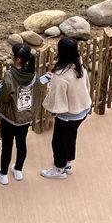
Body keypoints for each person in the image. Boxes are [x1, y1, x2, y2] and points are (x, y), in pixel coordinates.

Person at [41, 37, 93, 179]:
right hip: (82, 110)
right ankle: (68, 163)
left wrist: (52, 111)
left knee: (58, 141)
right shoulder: (79, 64)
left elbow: (57, 101)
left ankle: (59, 169)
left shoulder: (60, 76)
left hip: (68, 115)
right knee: (71, 137)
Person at [0, 43, 37, 185]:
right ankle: (18, 170)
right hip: (25, 116)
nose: (11, 56)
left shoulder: (10, 75)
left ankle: (3, 174)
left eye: (12, 55)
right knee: (21, 143)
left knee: (7, 145)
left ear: (18, 60)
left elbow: (4, 96)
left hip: (10, 117)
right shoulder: (33, 74)